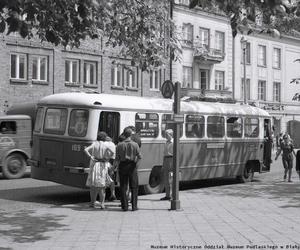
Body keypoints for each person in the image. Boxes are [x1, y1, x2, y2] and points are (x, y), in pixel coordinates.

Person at [84, 131, 114, 209]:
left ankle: (92, 203)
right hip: (102, 165)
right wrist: (107, 157)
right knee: (102, 186)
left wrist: (90, 156)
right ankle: (102, 204)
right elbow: (112, 152)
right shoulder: (105, 145)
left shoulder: (94, 144)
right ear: (104, 138)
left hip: (95, 165)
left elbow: (86, 150)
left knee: (93, 186)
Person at [115, 127, 142, 211]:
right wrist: (136, 164)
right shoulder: (135, 144)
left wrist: (114, 167)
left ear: (124, 134)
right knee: (134, 186)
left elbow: (117, 158)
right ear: (131, 135)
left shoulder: (119, 145)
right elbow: (140, 156)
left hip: (122, 165)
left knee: (123, 186)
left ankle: (124, 206)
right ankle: (134, 206)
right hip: (132, 165)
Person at [160, 129, 173, 201]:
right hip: (166, 160)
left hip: (172, 160)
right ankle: (167, 195)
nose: (165, 136)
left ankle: (172, 196)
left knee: (171, 179)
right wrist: (163, 164)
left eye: (167, 134)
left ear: (171, 135)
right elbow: (164, 154)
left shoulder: (174, 142)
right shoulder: (166, 143)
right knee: (166, 179)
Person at [105, 136, 117, 201]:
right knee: (111, 179)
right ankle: (113, 194)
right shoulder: (113, 144)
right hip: (113, 161)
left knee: (105, 178)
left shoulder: (105, 144)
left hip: (107, 161)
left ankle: (104, 196)